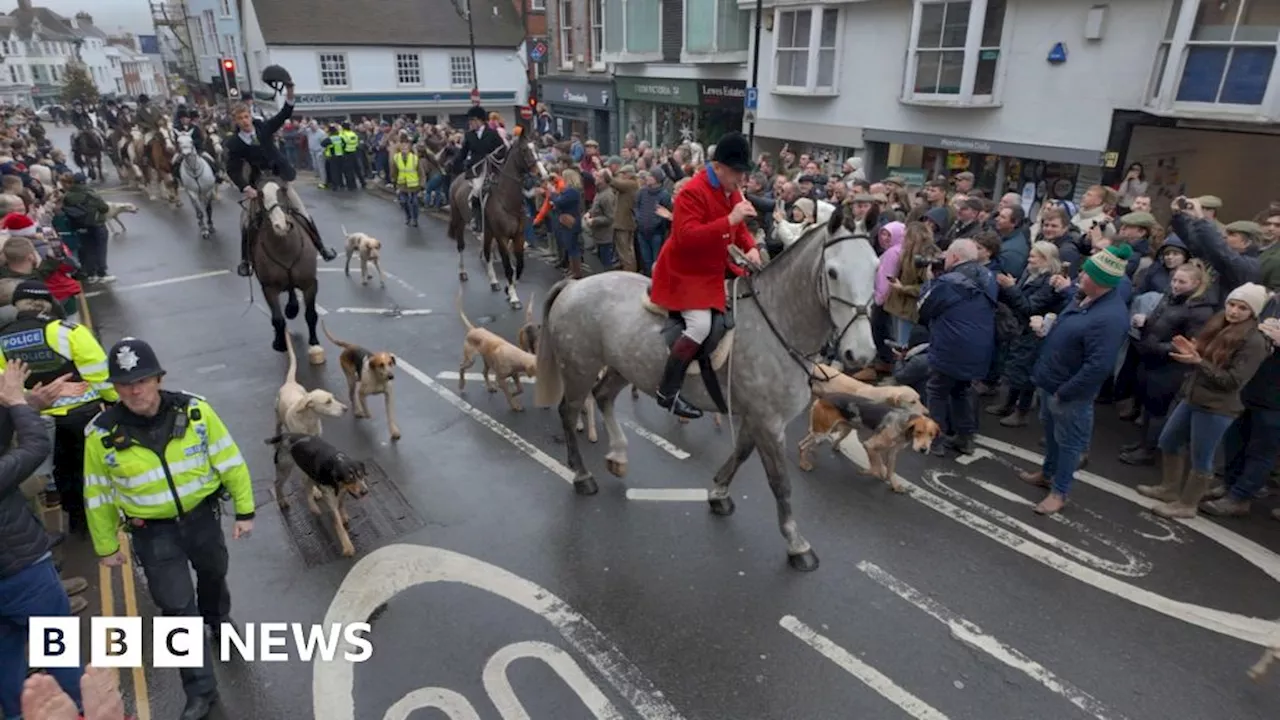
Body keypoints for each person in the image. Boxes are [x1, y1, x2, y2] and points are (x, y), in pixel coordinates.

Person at [83, 338, 255, 720]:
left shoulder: (195, 412)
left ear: (159, 378)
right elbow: (97, 493)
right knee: (176, 609)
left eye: (143, 380)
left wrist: (245, 510)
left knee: (213, 574)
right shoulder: (101, 435)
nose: (135, 389)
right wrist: (106, 545)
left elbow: (230, 462)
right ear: (115, 387)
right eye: (125, 383)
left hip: (201, 520)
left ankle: (218, 620)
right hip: (152, 533)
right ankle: (200, 692)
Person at [648, 131, 762, 419]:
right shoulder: (691, 192)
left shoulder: (730, 189)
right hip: (685, 272)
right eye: (737, 172)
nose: (741, 179)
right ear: (718, 166)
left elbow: (742, 231)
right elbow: (685, 237)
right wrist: (730, 220)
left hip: (714, 267)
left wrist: (752, 248)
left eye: (743, 172)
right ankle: (668, 391)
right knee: (699, 326)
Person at [0, 358, 87, 720]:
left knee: (6, 663)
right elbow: (34, 449)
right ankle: (82, 710)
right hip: (22, 573)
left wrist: (28, 404)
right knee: (58, 650)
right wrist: (18, 403)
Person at [1020, 244, 1133, 515]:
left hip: (1069, 392)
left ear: (1101, 281)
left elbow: (1098, 365)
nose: (1079, 275)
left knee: (1069, 443)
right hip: (1052, 381)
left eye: (1086, 273)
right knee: (1050, 434)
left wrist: (1066, 391)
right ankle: (1047, 473)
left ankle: (1060, 492)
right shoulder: (1084, 298)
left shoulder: (1110, 318)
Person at [0, 280, 117, 537]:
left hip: (33, 420)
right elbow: (100, 374)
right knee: (91, 472)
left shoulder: (3, 339)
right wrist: (113, 401)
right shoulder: (69, 332)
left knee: (59, 475)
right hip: (81, 416)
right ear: (48, 303)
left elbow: (4, 385)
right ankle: (99, 524)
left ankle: (75, 521)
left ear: (16, 304)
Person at [225, 80, 337, 278]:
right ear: (236, 121)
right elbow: (232, 170)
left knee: (302, 211)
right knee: (246, 221)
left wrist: (290, 92)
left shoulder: (264, 128)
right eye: (240, 118)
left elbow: (284, 114)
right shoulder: (234, 143)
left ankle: (322, 248)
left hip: (279, 178)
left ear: (250, 116)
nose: (245, 121)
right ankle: (245, 261)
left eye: (247, 116)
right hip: (258, 183)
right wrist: (245, 188)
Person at [917, 238, 998, 456]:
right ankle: (966, 438)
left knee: (936, 391)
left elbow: (922, 308)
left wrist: (929, 282)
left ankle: (936, 440)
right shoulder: (988, 276)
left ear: (954, 257)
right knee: (961, 391)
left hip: (950, 347)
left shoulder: (948, 282)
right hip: (979, 349)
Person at [451, 106, 506, 232]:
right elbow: (463, 153)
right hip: (477, 169)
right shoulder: (469, 135)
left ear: (480, 120)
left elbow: (503, 150)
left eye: (472, 121)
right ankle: (476, 219)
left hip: (492, 167)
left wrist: (495, 156)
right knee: (477, 190)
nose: (470, 124)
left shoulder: (493, 134)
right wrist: (453, 163)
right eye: (470, 121)